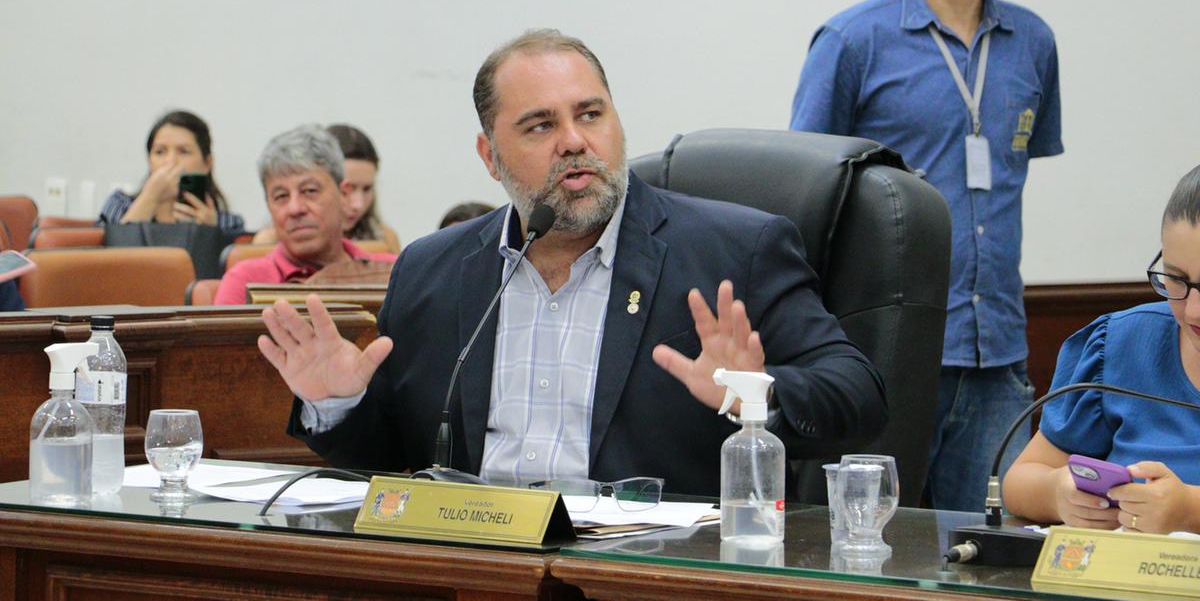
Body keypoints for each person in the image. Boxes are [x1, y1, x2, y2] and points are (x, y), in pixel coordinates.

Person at [256, 29, 887, 497]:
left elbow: (860, 398)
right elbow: (398, 456)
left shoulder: (735, 250)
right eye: (539, 125)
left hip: (650, 574)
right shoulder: (433, 269)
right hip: (476, 570)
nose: (575, 141)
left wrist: (750, 392)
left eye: (590, 114)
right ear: (489, 155)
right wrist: (339, 403)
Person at [788, 0, 1063, 511]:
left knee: (994, 553)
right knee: (868, 549)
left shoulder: (1033, 42)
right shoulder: (853, 41)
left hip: (997, 353)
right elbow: (804, 195)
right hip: (888, 353)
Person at [1004, 165, 1200, 534]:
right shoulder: (1122, 343)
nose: (1192, 310)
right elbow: (1019, 480)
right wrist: (1059, 493)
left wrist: (1190, 509)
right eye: (1176, 279)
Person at [213, 125, 396, 305]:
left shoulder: (392, 274)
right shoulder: (246, 282)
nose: (295, 209)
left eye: (309, 191)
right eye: (281, 196)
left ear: (343, 194)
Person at [254, 124, 402, 252]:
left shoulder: (385, 240)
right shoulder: (268, 242)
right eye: (347, 190)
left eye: (367, 189)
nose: (358, 204)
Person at [98, 110, 245, 236]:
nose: (171, 161)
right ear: (149, 161)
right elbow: (111, 259)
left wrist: (210, 234)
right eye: (160, 151)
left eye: (184, 151)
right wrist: (149, 198)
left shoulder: (228, 223)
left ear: (207, 163)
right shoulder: (118, 205)